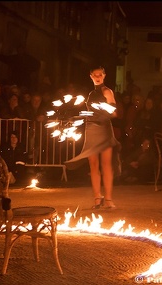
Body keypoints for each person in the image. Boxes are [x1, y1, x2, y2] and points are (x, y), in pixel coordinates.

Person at [64, 66, 121, 209]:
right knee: (93, 165)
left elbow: (113, 113)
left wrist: (104, 110)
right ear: (91, 76)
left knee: (106, 165)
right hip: (91, 129)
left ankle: (108, 199)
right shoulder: (90, 94)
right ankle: (97, 197)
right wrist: (78, 117)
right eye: (95, 74)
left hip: (103, 129)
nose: (97, 77)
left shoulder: (107, 91)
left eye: (100, 74)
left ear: (104, 75)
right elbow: (89, 112)